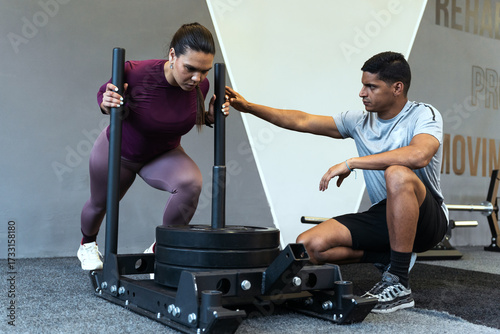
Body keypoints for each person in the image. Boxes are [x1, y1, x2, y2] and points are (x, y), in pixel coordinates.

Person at [225, 51, 448, 313]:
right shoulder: (360, 121)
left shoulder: (424, 114)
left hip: (427, 219)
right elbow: (302, 120)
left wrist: (351, 163)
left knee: (397, 172)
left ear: (397, 88)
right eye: (363, 85)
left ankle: (398, 282)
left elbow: (419, 155)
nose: (362, 93)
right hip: (386, 215)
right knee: (309, 245)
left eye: (371, 86)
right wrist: (249, 107)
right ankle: (388, 256)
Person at [77, 23, 230, 271]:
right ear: (172, 55)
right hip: (121, 150)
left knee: (191, 183)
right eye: (190, 68)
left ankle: (160, 250)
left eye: (204, 71)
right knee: (100, 204)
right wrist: (106, 101)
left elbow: (182, 115)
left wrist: (210, 116)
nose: (197, 78)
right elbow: (106, 97)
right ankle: (87, 244)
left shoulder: (200, 86)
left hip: (163, 154)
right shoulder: (136, 72)